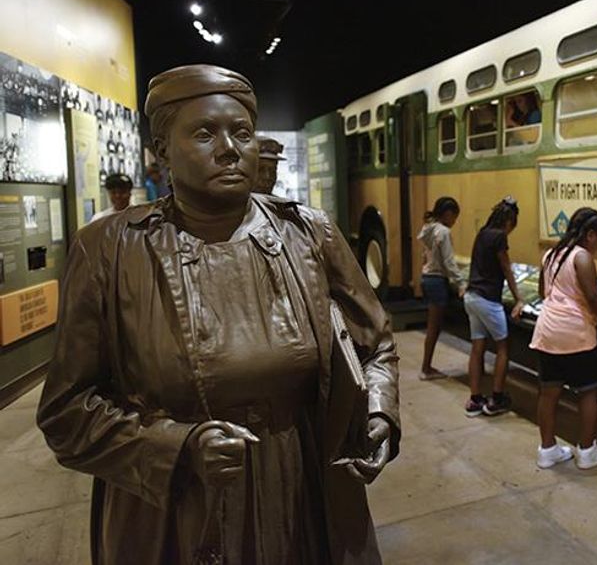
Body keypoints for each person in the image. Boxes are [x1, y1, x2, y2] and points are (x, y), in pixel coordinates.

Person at [37, 64, 400, 565]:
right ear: (163, 150)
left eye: (243, 133)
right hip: (178, 510)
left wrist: (379, 410)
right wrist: (177, 448)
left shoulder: (311, 234)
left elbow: (375, 342)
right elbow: (66, 413)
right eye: (205, 133)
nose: (230, 148)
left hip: (302, 492)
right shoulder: (111, 249)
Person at [529, 207, 597, 470]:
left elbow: (542, 291)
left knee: (548, 393)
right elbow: (593, 296)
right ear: (590, 234)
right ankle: (587, 452)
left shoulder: (551, 254)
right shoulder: (581, 257)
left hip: (547, 332)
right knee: (587, 392)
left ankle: (547, 451)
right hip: (575, 334)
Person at [463, 197, 525, 416]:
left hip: (471, 296)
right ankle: (497, 398)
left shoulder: (483, 232)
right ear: (509, 220)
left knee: (477, 347)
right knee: (503, 348)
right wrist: (519, 298)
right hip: (488, 299)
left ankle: (475, 398)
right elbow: (506, 268)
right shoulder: (499, 236)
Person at [417, 196, 465, 380]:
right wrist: (460, 282)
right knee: (434, 327)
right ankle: (426, 368)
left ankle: (426, 366)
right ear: (447, 214)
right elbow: (448, 261)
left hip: (427, 278)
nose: (454, 221)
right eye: (454, 217)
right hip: (437, 281)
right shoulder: (443, 232)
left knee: (432, 326)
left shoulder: (428, 229)